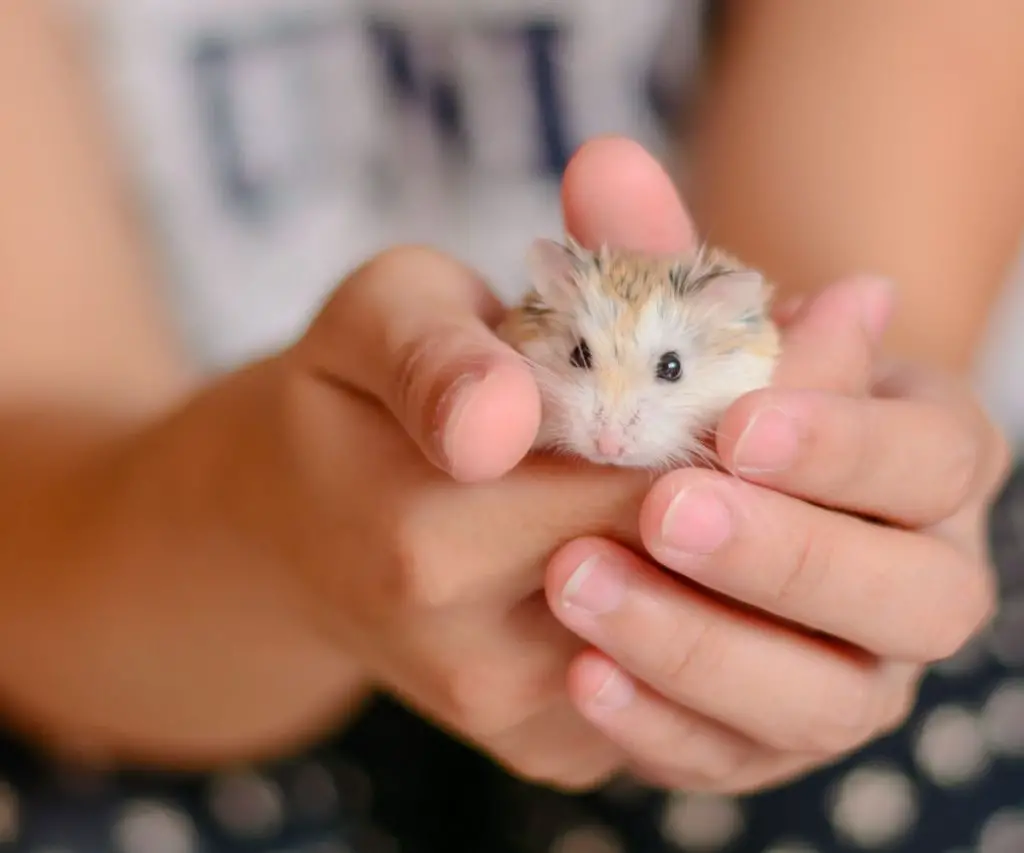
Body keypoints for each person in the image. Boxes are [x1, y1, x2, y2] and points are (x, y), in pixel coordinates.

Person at [0, 1, 1020, 851]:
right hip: (137, 572)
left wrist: (850, 468)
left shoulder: (739, 322)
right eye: (582, 364)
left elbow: (863, 269)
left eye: (662, 374)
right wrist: (267, 519)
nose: (613, 427)